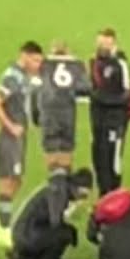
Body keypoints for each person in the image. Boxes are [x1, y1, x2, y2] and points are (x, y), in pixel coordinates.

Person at [0, 41, 45, 247]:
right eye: (36, 60)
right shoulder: (13, 77)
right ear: (25, 56)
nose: (39, 64)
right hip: (8, 137)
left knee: (17, 179)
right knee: (7, 180)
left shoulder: (25, 77)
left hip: (18, 137)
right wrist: (11, 127)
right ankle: (3, 227)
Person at [3, 169, 96, 259]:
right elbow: (55, 222)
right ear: (77, 187)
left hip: (24, 233)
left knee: (63, 232)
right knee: (64, 233)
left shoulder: (58, 187)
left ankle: (23, 258)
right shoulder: (58, 192)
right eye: (83, 195)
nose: (82, 199)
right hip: (26, 234)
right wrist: (72, 215)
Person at [36, 42, 89, 227]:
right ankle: (70, 200)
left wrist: (37, 117)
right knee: (66, 161)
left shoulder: (44, 65)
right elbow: (86, 88)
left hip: (49, 117)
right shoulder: (76, 65)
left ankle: (55, 206)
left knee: (52, 164)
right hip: (68, 117)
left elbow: (37, 91)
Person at [91, 28, 130, 195]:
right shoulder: (95, 62)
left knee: (113, 160)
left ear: (113, 43)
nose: (102, 46)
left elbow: (127, 93)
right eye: (100, 42)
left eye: (105, 43)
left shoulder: (120, 64)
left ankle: (114, 195)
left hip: (114, 121)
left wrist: (102, 98)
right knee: (98, 158)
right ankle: (103, 196)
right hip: (98, 120)